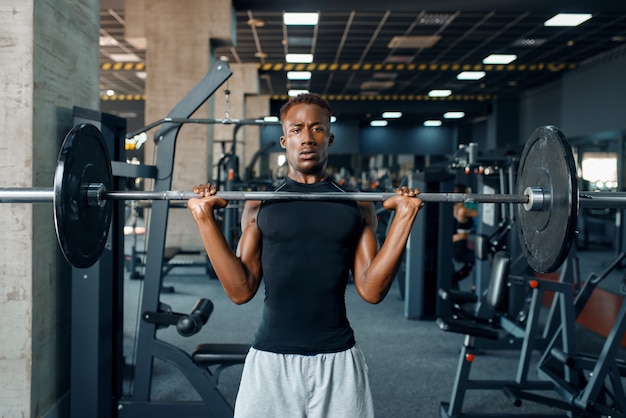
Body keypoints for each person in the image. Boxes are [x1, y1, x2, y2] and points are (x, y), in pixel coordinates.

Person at [187, 93, 423, 418]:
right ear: (284, 140)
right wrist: (204, 218)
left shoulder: (357, 203)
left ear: (330, 137)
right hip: (270, 361)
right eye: (297, 130)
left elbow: (371, 290)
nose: (307, 138)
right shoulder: (260, 204)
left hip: (338, 361)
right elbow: (240, 290)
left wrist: (404, 217)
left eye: (317, 128)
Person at [452, 183, 479, 283]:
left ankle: (454, 280)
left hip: (458, 247)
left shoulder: (456, 208)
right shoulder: (463, 211)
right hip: (459, 250)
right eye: (468, 193)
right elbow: (483, 213)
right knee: (481, 260)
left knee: (472, 264)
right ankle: (475, 285)